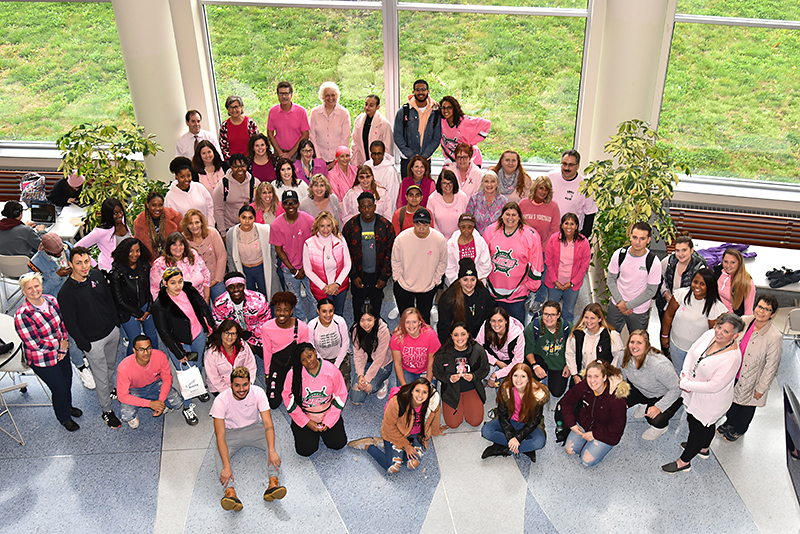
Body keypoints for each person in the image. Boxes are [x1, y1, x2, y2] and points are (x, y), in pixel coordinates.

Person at [662, 313, 744, 473]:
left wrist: (687, 384)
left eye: (726, 331)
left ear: (736, 335)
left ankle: (684, 462)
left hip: (710, 401)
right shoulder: (710, 335)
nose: (719, 333)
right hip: (692, 388)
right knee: (705, 425)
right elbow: (692, 351)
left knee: (698, 428)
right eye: (719, 327)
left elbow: (714, 385)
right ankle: (703, 449)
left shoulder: (732, 358)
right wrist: (684, 374)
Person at [58, 246, 122, 428]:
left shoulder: (97, 275)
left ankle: (110, 390)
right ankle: (107, 411)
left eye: (86, 261)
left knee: (110, 366)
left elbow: (108, 300)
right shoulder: (66, 293)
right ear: (71, 265)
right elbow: (70, 323)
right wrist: (84, 345)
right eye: (79, 263)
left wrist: (116, 323)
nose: (84, 266)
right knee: (100, 376)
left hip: (111, 332)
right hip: (93, 342)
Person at [14, 272, 82, 431]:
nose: (34, 290)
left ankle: (68, 406)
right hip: (41, 359)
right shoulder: (22, 315)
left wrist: (63, 344)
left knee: (67, 380)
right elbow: (34, 343)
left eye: (36, 286)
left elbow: (62, 325)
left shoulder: (52, 300)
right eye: (29, 288)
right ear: (24, 292)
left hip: (61, 350)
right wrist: (59, 345)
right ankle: (64, 417)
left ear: (41, 285)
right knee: (58, 387)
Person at [211, 366, 285, 511]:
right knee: (218, 454)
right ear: (231, 384)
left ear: (250, 382)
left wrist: (271, 450)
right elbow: (220, 436)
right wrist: (226, 466)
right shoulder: (220, 401)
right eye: (237, 385)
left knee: (276, 441)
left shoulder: (258, 393)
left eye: (245, 384)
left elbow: (268, 424)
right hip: (230, 433)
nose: (241, 389)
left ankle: (273, 482)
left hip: (255, 429)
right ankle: (230, 492)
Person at [718, 294, 783, 442]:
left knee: (746, 406)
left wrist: (762, 387)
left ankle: (739, 429)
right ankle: (729, 423)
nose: (761, 311)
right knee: (732, 400)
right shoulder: (744, 320)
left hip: (753, 377)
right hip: (734, 372)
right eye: (760, 307)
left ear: (772, 314)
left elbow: (771, 365)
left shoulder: (774, 336)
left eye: (767, 309)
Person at [348, 378, 444, 474]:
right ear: (411, 391)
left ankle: (388, 446)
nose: (420, 395)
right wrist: (406, 445)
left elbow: (434, 421)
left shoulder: (433, 404)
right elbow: (388, 427)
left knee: (413, 464)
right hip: (395, 433)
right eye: (417, 391)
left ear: (428, 395)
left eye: (424, 392)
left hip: (415, 436)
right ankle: (369, 446)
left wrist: (436, 431)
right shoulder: (397, 402)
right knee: (392, 468)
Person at [151, 267, 215, 404]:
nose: (178, 286)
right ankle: (187, 405)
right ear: (165, 283)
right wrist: (178, 352)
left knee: (197, 364)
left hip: (198, 336)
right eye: (173, 283)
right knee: (186, 373)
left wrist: (211, 325)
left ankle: (198, 388)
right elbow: (164, 332)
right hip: (180, 343)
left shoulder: (189, 290)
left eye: (180, 281)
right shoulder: (160, 305)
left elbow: (203, 307)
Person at [283, 343, 348, 456]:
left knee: (339, 444)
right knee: (305, 451)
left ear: (314, 351)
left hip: (327, 413)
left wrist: (329, 420)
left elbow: (341, 394)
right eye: (303, 360)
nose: (308, 361)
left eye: (309, 356)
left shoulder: (331, 369)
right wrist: (307, 422)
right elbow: (288, 399)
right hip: (306, 416)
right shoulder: (293, 374)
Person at [117, 335, 197, 427]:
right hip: (135, 389)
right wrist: (150, 404)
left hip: (155, 384)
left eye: (148, 348)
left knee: (177, 403)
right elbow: (122, 396)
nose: (146, 352)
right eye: (141, 349)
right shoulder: (124, 367)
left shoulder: (160, 356)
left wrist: (160, 401)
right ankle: (134, 415)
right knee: (125, 415)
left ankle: (160, 403)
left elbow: (167, 378)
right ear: (134, 351)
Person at [483, 202, 542, 323]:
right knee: (496, 325)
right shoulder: (490, 231)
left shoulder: (530, 235)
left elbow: (536, 262)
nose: (510, 218)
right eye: (507, 214)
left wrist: (531, 284)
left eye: (514, 215)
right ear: (502, 215)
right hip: (494, 290)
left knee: (516, 326)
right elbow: (483, 259)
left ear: (519, 216)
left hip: (518, 292)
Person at [562, 359, 629, 467]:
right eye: (589, 376)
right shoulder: (584, 386)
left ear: (604, 377)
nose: (592, 381)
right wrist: (571, 424)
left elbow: (617, 427)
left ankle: (600, 445)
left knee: (586, 461)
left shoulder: (616, 399)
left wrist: (595, 435)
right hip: (586, 423)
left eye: (596, 376)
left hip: (607, 432)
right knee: (569, 450)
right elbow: (566, 401)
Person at [660, 268, 727, 372]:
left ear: (709, 287)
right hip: (676, 346)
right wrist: (664, 336)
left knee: (692, 375)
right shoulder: (680, 295)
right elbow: (668, 315)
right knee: (677, 371)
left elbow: (713, 334)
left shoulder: (715, 307)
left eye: (702, 284)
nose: (697, 286)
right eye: (695, 282)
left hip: (697, 352)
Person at [620, 330, 683, 440]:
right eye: (632, 342)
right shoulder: (624, 355)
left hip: (664, 394)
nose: (634, 346)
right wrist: (621, 395)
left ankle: (661, 427)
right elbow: (622, 376)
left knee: (654, 419)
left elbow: (677, 389)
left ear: (647, 345)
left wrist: (659, 407)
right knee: (619, 399)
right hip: (643, 389)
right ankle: (645, 402)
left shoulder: (659, 365)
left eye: (639, 343)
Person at [342, 191, 395, 316]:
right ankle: (357, 331)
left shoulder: (386, 226)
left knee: (375, 306)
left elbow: (391, 253)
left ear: (375, 207)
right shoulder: (350, 227)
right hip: (358, 275)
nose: (367, 210)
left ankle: (375, 330)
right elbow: (345, 253)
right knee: (358, 306)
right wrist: (353, 275)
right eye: (363, 206)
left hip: (378, 275)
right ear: (358, 207)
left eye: (370, 206)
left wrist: (384, 277)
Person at [480, 363, 548, 461]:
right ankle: (524, 448)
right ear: (511, 376)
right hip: (509, 421)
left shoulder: (537, 395)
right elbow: (502, 416)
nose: (518, 380)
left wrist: (518, 438)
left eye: (523, 376)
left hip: (527, 424)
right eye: (515, 376)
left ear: (529, 378)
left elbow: (534, 421)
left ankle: (502, 449)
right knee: (486, 431)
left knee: (540, 441)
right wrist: (511, 437)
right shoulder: (505, 391)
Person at [391, 208, 447, 324]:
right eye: (418, 224)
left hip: (427, 287)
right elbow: (395, 260)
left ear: (430, 224)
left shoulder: (439, 239)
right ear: (413, 223)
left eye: (425, 224)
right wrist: (397, 278)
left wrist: (436, 280)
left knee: (424, 319)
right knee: (406, 319)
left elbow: (442, 262)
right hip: (404, 285)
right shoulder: (401, 238)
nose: (421, 228)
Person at [606, 221, 662, 335]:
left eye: (642, 238)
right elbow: (611, 279)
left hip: (639, 311)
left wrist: (627, 306)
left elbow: (651, 291)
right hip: (616, 305)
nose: (638, 242)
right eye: (635, 237)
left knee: (637, 343)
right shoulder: (619, 254)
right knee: (609, 338)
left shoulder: (653, 262)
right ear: (630, 236)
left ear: (648, 240)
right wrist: (620, 302)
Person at [270, 190, 316, 322]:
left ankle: (314, 322)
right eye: (287, 203)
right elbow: (279, 251)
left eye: (293, 202)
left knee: (313, 296)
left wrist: (304, 268)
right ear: (282, 205)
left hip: (308, 266)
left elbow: (312, 246)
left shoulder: (309, 220)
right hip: (289, 269)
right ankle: (300, 322)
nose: (290, 206)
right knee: (294, 299)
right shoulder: (276, 225)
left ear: (298, 204)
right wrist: (294, 270)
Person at [433, 322, 489, 429]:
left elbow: (485, 369)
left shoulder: (478, 350)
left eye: (463, 334)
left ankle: (469, 404)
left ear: (468, 334)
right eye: (456, 335)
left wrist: (474, 376)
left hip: (472, 388)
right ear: (451, 336)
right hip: (451, 390)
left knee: (475, 421)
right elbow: (437, 371)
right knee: (453, 424)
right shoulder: (443, 353)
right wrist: (449, 378)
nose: (460, 338)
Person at [109, 237, 159, 358]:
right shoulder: (117, 273)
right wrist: (138, 313)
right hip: (128, 311)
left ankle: (156, 359)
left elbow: (151, 288)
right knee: (135, 340)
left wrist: (149, 309)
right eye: (131, 251)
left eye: (138, 251)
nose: (135, 254)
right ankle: (132, 365)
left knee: (152, 335)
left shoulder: (145, 266)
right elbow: (119, 300)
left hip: (146, 306)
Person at [261, 291, 310, 409]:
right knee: (273, 403)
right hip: (277, 364)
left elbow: (305, 352)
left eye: (286, 310)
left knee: (299, 401)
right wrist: (267, 374)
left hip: (295, 364)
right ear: (275, 310)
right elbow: (267, 351)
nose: (281, 313)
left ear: (291, 311)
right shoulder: (267, 327)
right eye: (278, 309)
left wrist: (303, 373)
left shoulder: (302, 327)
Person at [543, 212, 591, 327]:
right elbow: (548, 262)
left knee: (568, 310)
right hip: (555, 282)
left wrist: (572, 283)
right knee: (552, 310)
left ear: (576, 226)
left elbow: (584, 266)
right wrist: (555, 281)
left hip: (573, 284)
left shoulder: (583, 242)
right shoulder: (554, 239)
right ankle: (551, 330)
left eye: (572, 224)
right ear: (562, 225)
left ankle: (566, 332)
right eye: (566, 223)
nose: (569, 226)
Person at [212, 271, 272, 358]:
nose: (236, 290)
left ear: (244, 286)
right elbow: (220, 325)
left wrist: (251, 342)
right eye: (231, 287)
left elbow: (265, 322)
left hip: (256, 332)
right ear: (227, 288)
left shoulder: (259, 299)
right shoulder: (219, 303)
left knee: (268, 355)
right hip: (234, 334)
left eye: (239, 286)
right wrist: (239, 342)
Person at [302, 212, 351, 315]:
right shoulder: (309, 244)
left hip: (339, 286)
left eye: (328, 225)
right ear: (317, 226)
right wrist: (325, 287)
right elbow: (308, 270)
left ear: (332, 226)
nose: (325, 229)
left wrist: (336, 284)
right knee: (325, 315)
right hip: (321, 289)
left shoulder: (340, 240)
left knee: (338, 312)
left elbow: (347, 264)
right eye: (322, 226)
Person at [437, 258, 496, 343]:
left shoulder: (484, 294)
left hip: (479, 340)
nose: (469, 284)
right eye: (465, 280)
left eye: (472, 279)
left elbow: (489, 319)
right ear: (459, 280)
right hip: (457, 341)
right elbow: (444, 327)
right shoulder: (448, 299)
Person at [655, 232, 708, 324]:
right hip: (666, 304)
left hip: (688, 307)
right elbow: (658, 278)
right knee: (665, 330)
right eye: (677, 250)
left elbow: (702, 290)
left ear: (691, 250)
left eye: (684, 250)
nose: (680, 254)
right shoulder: (667, 262)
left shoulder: (699, 267)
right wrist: (665, 292)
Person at [393, 79, 441, 178]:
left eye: (423, 89)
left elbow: (436, 138)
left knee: (425, 191)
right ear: (413, 92)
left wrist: (423, 157)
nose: (420, 92)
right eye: (417, 89)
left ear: (428, 91)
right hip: (407, 159)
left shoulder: (435, 112)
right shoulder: (404, 111)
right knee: (407, 190)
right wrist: (411, 155)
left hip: (426, 159)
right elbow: (397, 136)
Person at [524, 300, 571, 398]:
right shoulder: (533, 327)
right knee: (526, 381)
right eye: (546, 314)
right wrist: (535, 366)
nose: (549, 318)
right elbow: (528, 350)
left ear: (559, 315)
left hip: (559, 362)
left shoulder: (567, 328)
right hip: (540, 358)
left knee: (557, 392)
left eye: (553, 315)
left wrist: (569, 365)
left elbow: (574, 349)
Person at [565, 303, 624, 380]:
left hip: (604, 377)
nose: (588, 321)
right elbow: (570, 354)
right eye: (586, 317)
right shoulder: (576, 334)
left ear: (600, 319)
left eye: (592, 318)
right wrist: (575, 375)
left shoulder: (612, 335)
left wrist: (610, 373)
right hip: (582, 376)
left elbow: (619, 355)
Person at [547, 149, 597, 238]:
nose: (566, 168)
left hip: (572, 235)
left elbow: (590, 214)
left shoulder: (586, 185)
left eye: (571, 165)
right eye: (564, 164)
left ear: (577, 166)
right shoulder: (550, 178)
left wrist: (582, 237)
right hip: (549, 233)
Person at [350, 303, 393, 405]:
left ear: (375, 319)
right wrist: (361, 376)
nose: (366, 324)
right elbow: (358, 356)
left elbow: (379, 359)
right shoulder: (356, 330)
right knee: (355, 399)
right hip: (366, 363)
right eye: (362, 320)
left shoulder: (383, 331)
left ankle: (383, 380)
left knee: (370, 388)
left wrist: (367, 379)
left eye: (369, 320)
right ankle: (369, 379)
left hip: (382, 364)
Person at [149, 231, 211, 302]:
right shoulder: (159, 264)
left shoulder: (193, 255)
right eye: (174, 245)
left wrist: (207, 299)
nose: (178, 248)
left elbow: (206, 275)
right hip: (174, 307)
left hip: (199, 302)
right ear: (168, 246)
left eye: (181, 244)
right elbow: (155, 291)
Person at [226, 205, 272, 298]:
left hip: (261, 269)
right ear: (239, 217)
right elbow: (230, 257)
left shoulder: (264, 230)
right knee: (249, 298)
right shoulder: (231, 233)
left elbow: (272, 251)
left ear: (254, 218)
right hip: (244, 270)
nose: (247, 221)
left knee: (266, 296)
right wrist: (234, 275)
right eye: (244, 217)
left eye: (250, 218)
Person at [182, 209, 227, 301]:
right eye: (190, 223)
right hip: (197, 284)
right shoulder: (183, 238)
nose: (194, 226)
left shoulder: (212, 233)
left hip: (216, 279)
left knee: (222, 308)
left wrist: (217, 279)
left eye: (197, 222)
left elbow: (222, 256)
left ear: (202, 223)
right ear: (186, 225)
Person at [213, 153, 261, 238]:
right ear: (231, 167)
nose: (240, 169)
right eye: (236, 166)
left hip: (252, 227)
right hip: (231, 228)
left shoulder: (255, 183)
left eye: (243, 166)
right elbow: (218, 210)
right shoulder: (222, 186)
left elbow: (261, 205)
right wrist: (223, 234)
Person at [75, 197, 130, 270]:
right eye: (115, 213)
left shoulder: (123, 222)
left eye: (121, 212)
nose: (120, 215)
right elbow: (77, 247)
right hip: (111, 270)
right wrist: (94, 265)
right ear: (108, 215)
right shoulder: (100, 232)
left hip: (127, 267)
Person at [204, 320, 258, 396]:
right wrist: (231, 392)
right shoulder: (211, 353)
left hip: (241, 384)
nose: (229, 337)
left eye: (233, 334)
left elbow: (251, 365)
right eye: (227, 333)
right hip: (220, 388)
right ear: (221, 333)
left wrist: (248, 384)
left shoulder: (243, 346)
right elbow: (214, 378)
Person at [308, 298, 352, 390]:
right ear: (318, 311)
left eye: (331, 311)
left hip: (340, 357)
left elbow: (345, 344)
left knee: (342, 388)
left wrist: (336, 366)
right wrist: (324, 365)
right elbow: (312, 348)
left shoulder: (340, 321)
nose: (328, 315)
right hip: (321, 359)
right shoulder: (311, 326)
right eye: (324, 311)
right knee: (322, 387)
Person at [476, 307, 525, 388]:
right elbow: (478, 347)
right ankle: (487, 375)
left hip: (510, 362)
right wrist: (496, 362)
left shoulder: (517, 334)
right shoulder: (486, 326)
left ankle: (493, 376)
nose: (496, 325)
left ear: (506, 321)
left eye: (500, 321)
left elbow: (518, 362)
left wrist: (496, 375)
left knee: (505, 390)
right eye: (493, 321)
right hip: (492, 357)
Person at [391, 307, 441, 386]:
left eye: (414, 322)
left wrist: (427, 384)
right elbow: (397, 364)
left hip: (426, 369)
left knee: (427, 396)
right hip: (406, 370)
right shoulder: (397, 337)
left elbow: (431, 362)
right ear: (403, 323)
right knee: (406, 396)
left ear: (420, 322)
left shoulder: (430, 335)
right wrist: (404, 386)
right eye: (407, 322)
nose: (411, 325)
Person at [439, 95, 491, 168]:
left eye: (449, 107)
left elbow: (486, 124)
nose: (446, 110)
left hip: (469, 159)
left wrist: (471, 142)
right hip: (451, 159)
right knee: (446, 177)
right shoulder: (441, 121)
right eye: (443, 108)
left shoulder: (464, 121)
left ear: (455, 108)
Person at [164, 157, 215, 228]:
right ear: (176, 176)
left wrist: (210, 226)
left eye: (189, 175)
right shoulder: (170, 197)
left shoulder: (199, 187)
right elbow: (170, 220)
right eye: (182, 177)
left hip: (206, 230)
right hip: (186, 235)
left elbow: (210, 207)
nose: (186, 179)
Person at [309, 81, 351, 167]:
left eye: (333, 95)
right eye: (327, 95)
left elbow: (345, 139)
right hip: (319, 160)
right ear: (322, 97)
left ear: (337, 96)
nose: (330, 98)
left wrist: (336, 160)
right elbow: (312, 137)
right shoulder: (315, 112)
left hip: (339, 161)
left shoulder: (344, 113)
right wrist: (318, 158)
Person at [133, 191, 184, 259]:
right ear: (147, 205)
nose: (157, 209)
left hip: (175, 259)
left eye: (160, 205)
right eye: (154, 205)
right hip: (150, 262)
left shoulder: (175, 217)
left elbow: (183, 239)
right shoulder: (139, 223)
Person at [444, 213, 491, 286]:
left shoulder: (481, 242)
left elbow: (486, 265)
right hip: (456, 283)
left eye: (469, 227)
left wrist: (473, 281)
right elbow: (449, 267)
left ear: (473, 228)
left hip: (477, 282)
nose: (466, 230)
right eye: (463, 227)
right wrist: (460, 282)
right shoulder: (450, 244)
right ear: (459, 227)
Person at [267, 81, 309, 160]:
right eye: (281, 94)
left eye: (286, 94)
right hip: (279, 153)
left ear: (291, 95)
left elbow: (305, 135)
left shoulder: (301, 111)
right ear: (277, 95)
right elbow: (270, 133)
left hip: (297, 153)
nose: (284, 96)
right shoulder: (273, 111)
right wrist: (280, 153)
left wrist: (290, 154)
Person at [351, 94, 394, 167]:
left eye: (371, 105)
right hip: (362, 164)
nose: (367, 107)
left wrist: (383, 166)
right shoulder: (358, 121)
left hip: (379, 165)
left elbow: (387, 149)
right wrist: (355, 164)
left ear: (378, 107)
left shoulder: (384, 124)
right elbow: (355, 145)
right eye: (366, 104)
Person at [426, 169, 469, 240]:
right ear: (440, 184)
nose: (447, 186)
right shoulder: (432, 198)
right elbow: (431, 222)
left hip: (459, 238)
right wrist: (441, 238)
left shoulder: (462, 197)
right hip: (437, 238)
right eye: (444, 183)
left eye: (450, 183)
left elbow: (466, 220)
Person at [519, 175, 560, 248]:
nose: (543, 192)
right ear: (535, 188)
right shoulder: (523, 204)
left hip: (544, 249)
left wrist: (543, 247)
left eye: (546, 189)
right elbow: (518, 227)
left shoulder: (553, 206)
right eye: (541, 188)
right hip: (524, 247)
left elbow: (554, 231)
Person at [715, 247, 755, 316]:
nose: (728, 265)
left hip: (732, 319)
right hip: (716, 312)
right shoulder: (719, 272)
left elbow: (748, 312)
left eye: (732, 262)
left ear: (739, 263)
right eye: (726, 262)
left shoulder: (747, 283)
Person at [219, 96, 259, 161]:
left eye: (236, 107)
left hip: (250, 160)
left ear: (241, 106)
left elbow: (256, 143)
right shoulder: (224, 126)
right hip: (232, 163)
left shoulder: (250, 123)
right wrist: (233, 162)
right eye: (231, 107)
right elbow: (223, 147)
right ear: (227, 109)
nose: (234, 110)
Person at [364, 140, 400, 208]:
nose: (376, 156)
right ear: (370, 153)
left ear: (384, 153)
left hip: (384, 206)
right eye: (374, 153)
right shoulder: (366, 166)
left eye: (379, 153)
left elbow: (392, 195)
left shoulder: (390, 171)